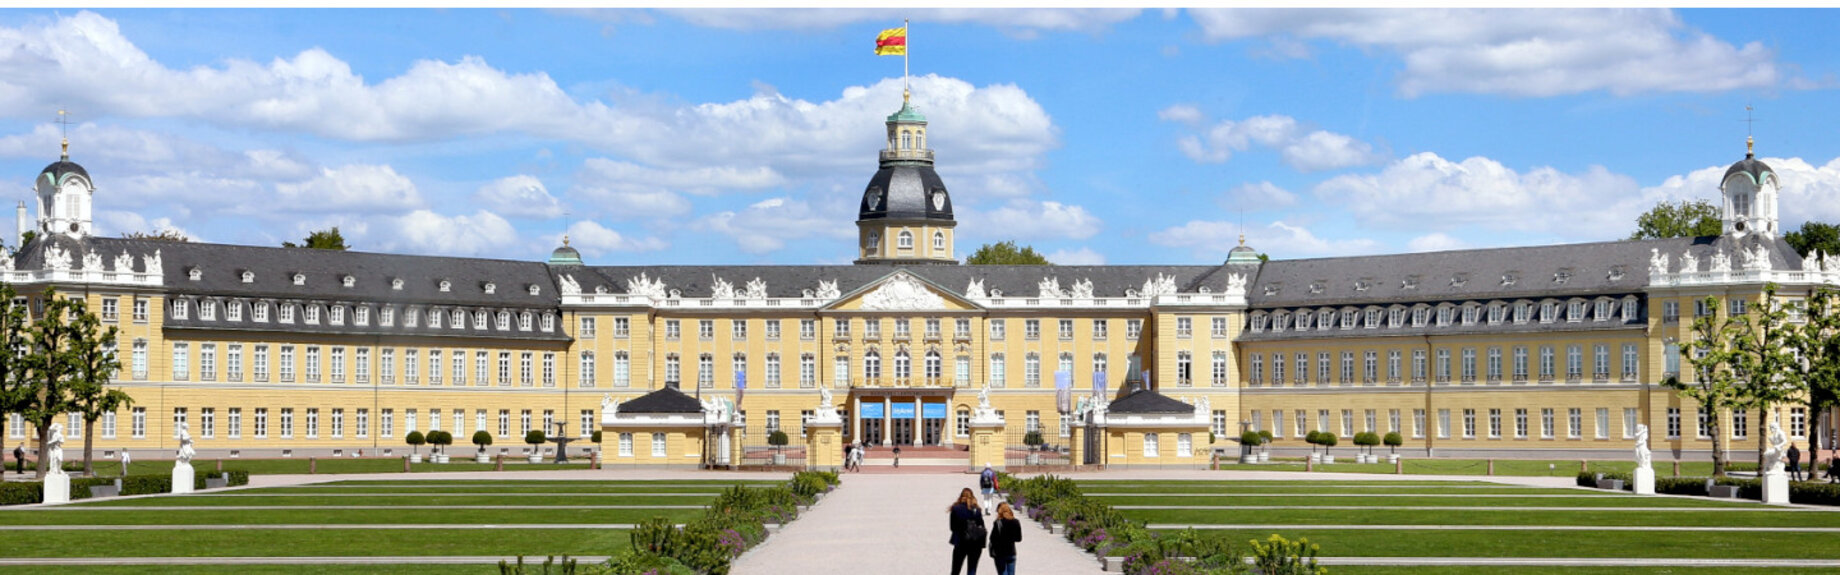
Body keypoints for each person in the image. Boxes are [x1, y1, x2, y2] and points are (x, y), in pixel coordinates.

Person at [948, 487, 986, 575]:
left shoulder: (956, 509)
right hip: (975, 543)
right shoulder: (977, 510)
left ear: (961, 496)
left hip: (960, 541)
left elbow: (952, 527)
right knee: (972, 569)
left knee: (956, 568)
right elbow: (982, 526)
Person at [987, 502, 1022, 575]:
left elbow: (992, 538)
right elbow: (1018, 539)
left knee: (1002, 572)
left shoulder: (998, 523)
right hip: (1011, 552)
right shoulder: (1016, 522)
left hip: (1000, 552)